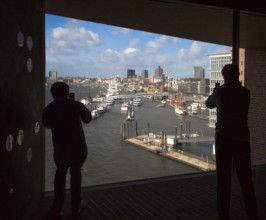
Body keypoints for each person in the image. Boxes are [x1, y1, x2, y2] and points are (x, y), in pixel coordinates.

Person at [206, 64, 259, 220]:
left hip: (224, 137)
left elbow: (209, 104)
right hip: (242, 137)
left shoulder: (221, 92)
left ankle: (223, 214)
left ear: (224, 76)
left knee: (223, 179)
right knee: (246, 179)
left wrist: (216, 91)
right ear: (237, 74)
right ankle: (252, 214)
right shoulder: (245, 92)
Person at [43, 82, 92, 218]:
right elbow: (88, 119)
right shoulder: (76, 105)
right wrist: (73, 102)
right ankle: (76, 207)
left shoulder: (49, 108)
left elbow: (46, 124)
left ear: (53, 94)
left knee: (60, 175)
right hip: (78, 148)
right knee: (76, 174)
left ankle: (57, 208)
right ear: (67, 92)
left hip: (60, 149)